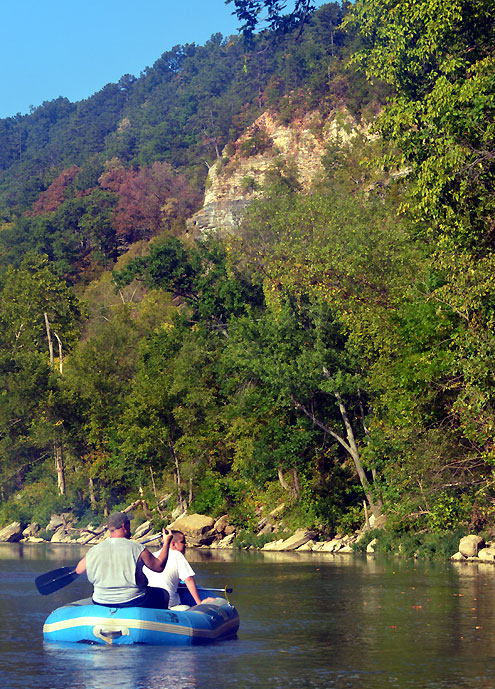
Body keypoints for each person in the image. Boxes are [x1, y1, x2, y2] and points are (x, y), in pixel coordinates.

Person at [75, 511, 173, 608]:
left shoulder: (94, 550)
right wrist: (166, 543)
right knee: (163, 594)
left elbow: (79, 570)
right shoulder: (137, 548)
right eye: (129, 524)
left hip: (100, 600)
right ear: (123, 526)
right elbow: (159, 566)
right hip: (132, 600)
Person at [142, 530, 215, 609]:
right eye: (182, 542)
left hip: (149, 604)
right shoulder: (177, 554)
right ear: (173, 544)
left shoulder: (152, 556)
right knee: (185, 607)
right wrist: (199, 603)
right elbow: (189, 579)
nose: (186, 544)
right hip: (168, 604)